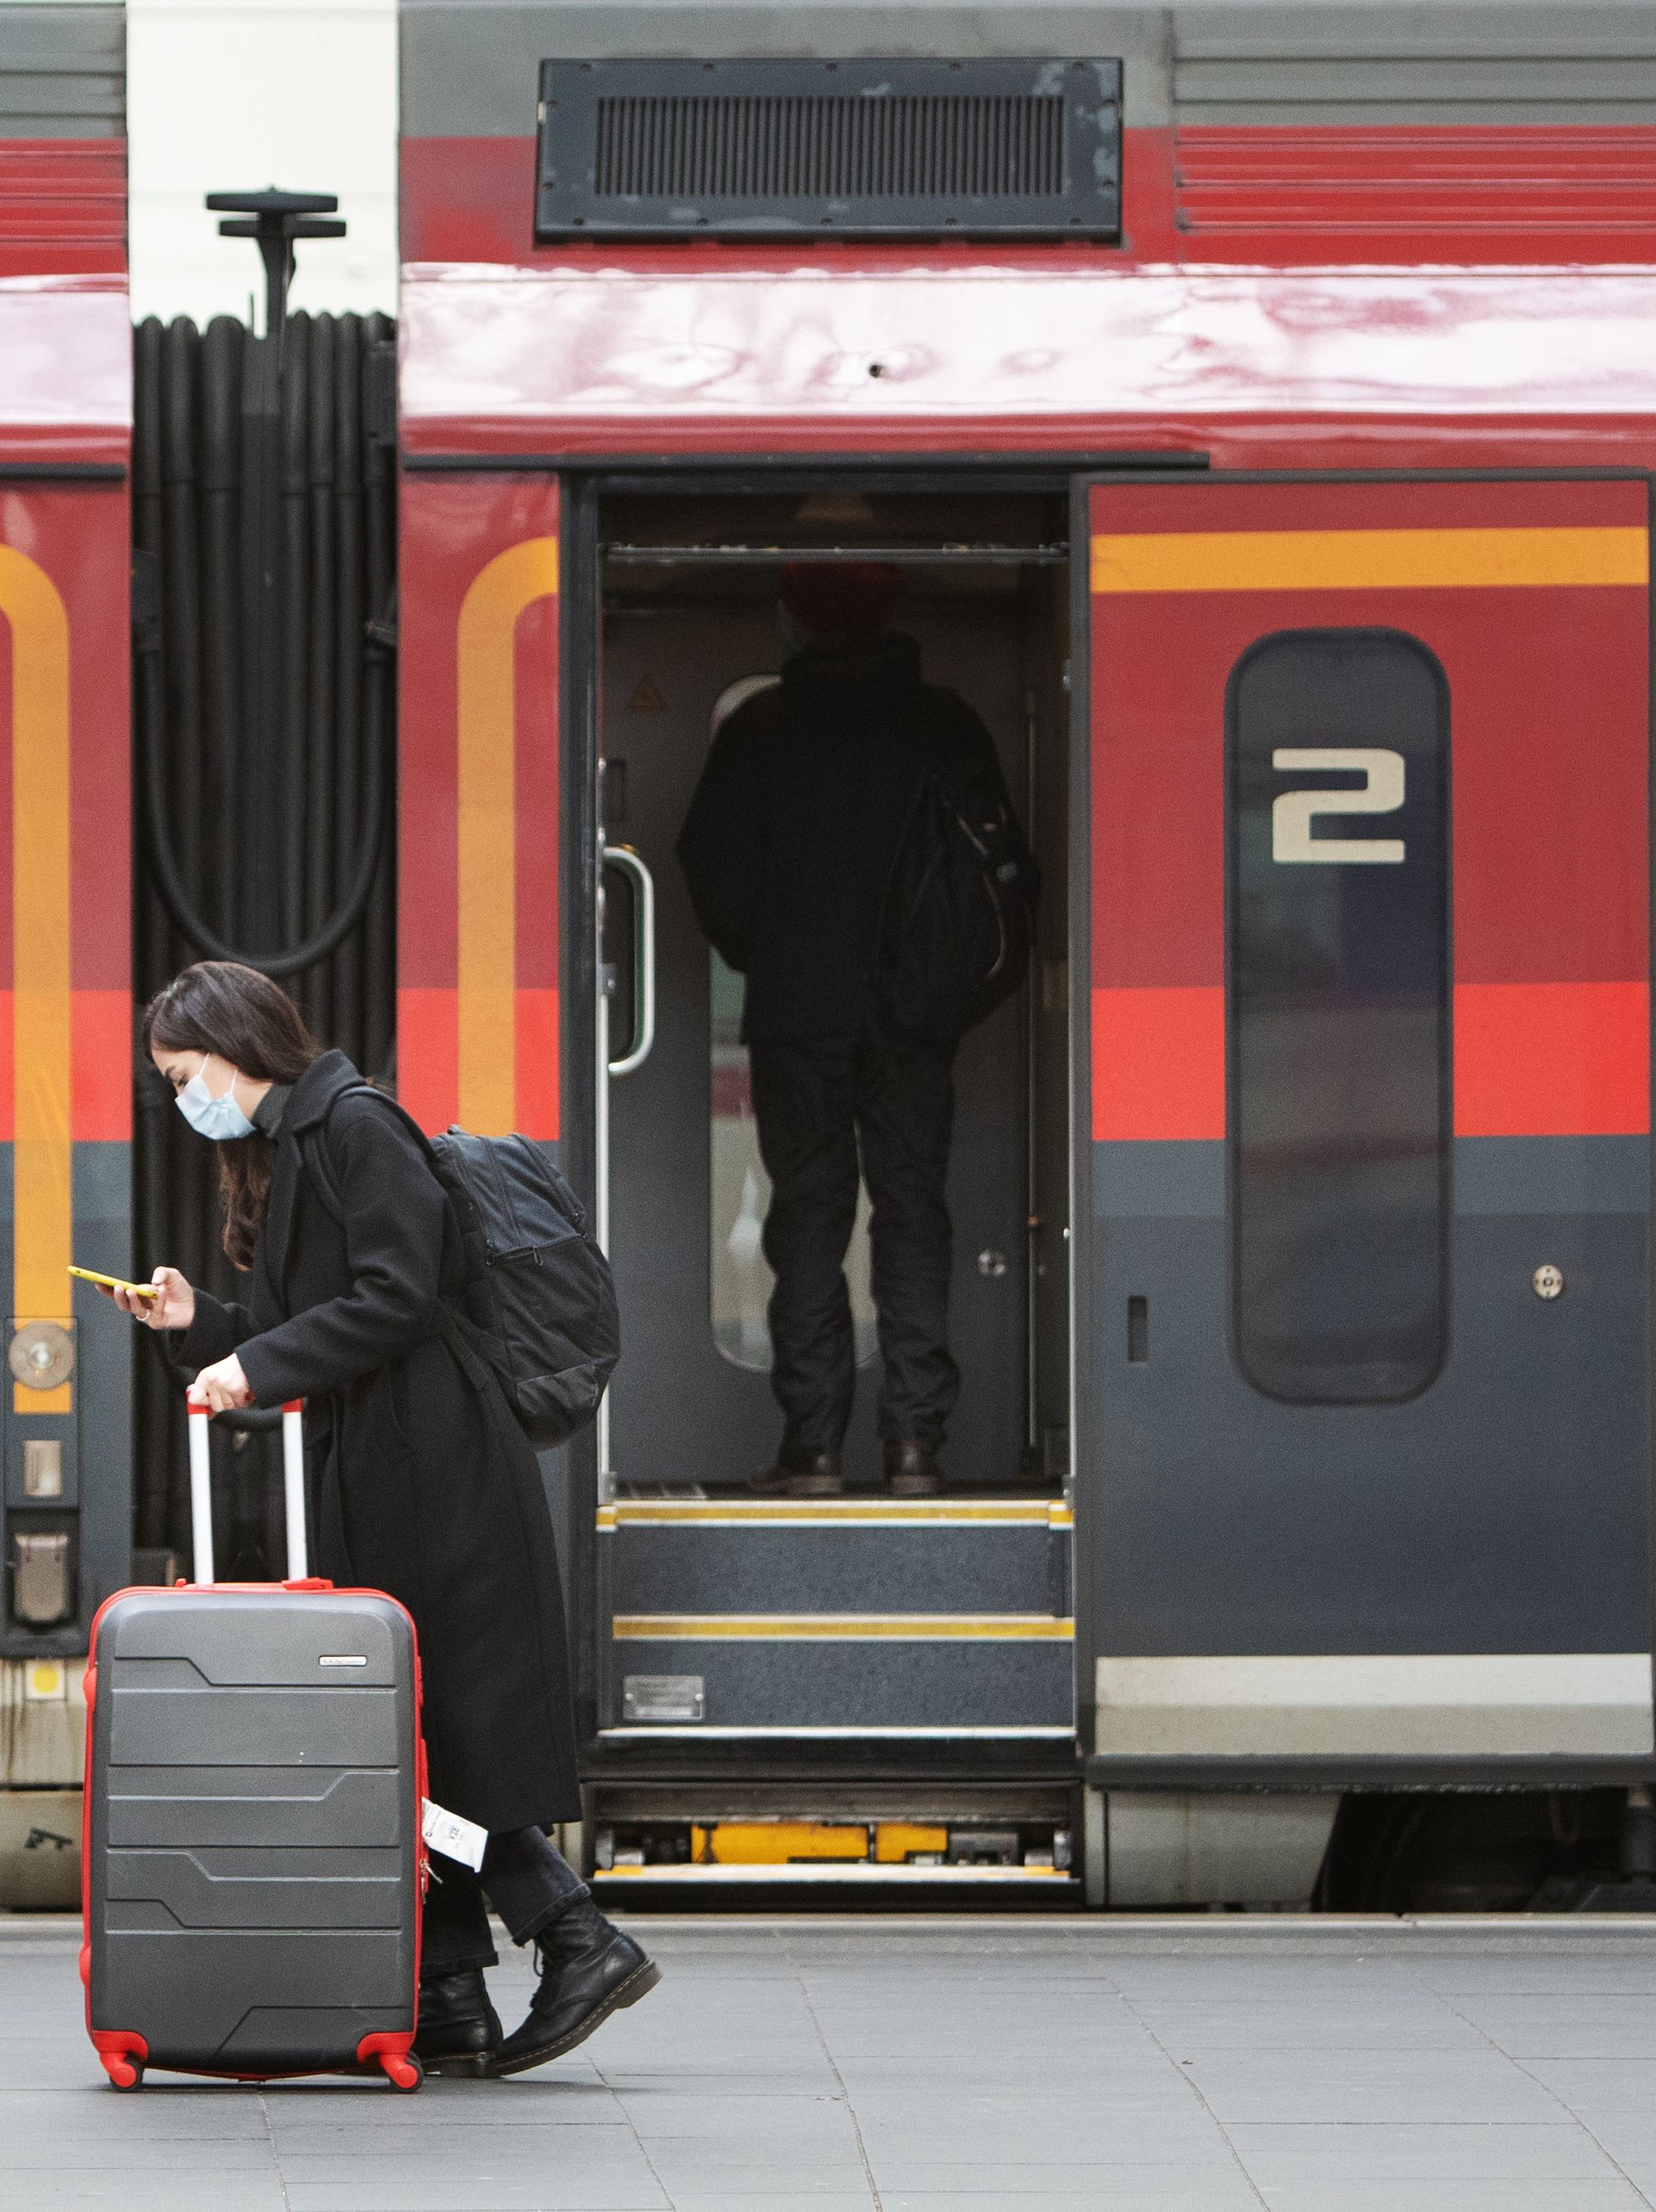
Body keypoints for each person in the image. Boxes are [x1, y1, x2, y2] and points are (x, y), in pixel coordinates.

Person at [112, 961, 660, 2078]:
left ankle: (575, 1936)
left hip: (440, 1458)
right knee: (404, 1721)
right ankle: (446, 1987)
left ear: (233, 1043)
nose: (183, 1097)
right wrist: (196, 1322)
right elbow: (304, 1315)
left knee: (438, 1719)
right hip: (384, 1460)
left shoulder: (356, 1123)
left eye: (183, 1073)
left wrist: (254, 1363)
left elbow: (397, 1293)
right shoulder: (291, 1147)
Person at [676, 562, 1012, 1500]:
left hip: (798, 1015)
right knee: (913, 1212)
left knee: (809, 1220)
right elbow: (1001, 875)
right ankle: (915, 1447)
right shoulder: (945, 724)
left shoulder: (761, 728)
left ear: (792, 615)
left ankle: (812, 1448)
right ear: (891, 607)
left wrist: (774, 955)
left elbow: (710, 868)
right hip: (915, 1018)